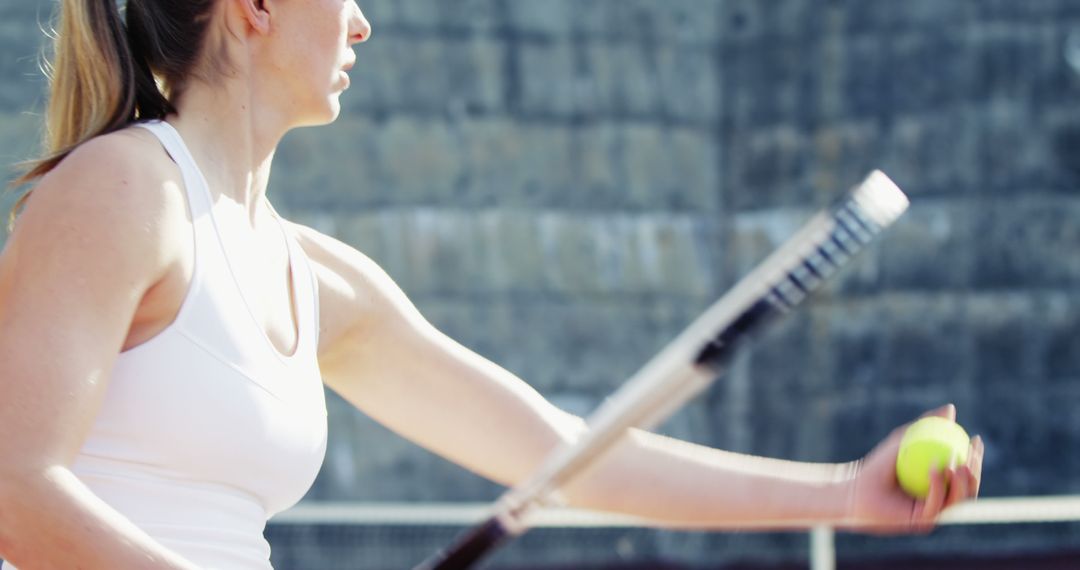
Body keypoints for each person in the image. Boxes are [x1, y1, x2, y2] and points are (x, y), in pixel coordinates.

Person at [0, 0, 984, 568]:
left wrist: (848, 495)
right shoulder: (124, 187)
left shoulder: (321, 280)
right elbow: (12, 487)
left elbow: (570, 457)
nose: (364, 23)